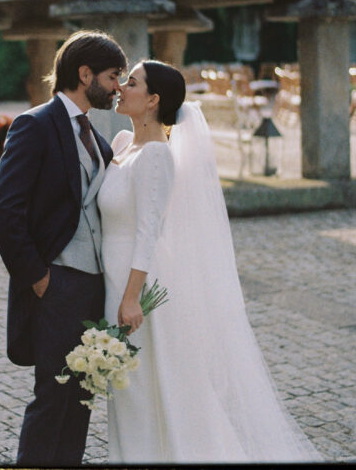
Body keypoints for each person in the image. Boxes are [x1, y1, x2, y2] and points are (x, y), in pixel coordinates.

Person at [98, 60, 322, 463]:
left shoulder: (155, 157)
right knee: (125, 393)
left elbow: (149, 234)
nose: (120, 88)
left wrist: (131, 298)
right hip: (110, 280)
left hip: (135, 289)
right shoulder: (118, 145)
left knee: (145, 391)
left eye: (131, 83)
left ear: (152, 100)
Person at [0, 30, 127, 465]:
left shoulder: (97, 138)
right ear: (84, 74)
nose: (117, 86)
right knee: (52, 394)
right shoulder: (34, 125)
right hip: (56, 281)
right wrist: (38, 277)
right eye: (111, 76)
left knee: (83, 396)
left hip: (93, 286)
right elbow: (5, 209)